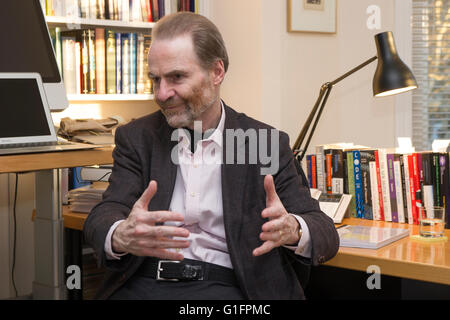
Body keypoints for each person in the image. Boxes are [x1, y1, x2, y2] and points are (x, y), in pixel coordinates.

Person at [83, 11, 339, 300]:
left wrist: (292, 229)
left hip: (230, 285)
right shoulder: (137, 138)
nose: (162, 93)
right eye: (155, 79)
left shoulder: (262, 142)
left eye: (177, 77)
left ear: (217, 72)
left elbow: (325, 233)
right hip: (144, 282)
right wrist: (120, 234)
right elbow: (102, 217)